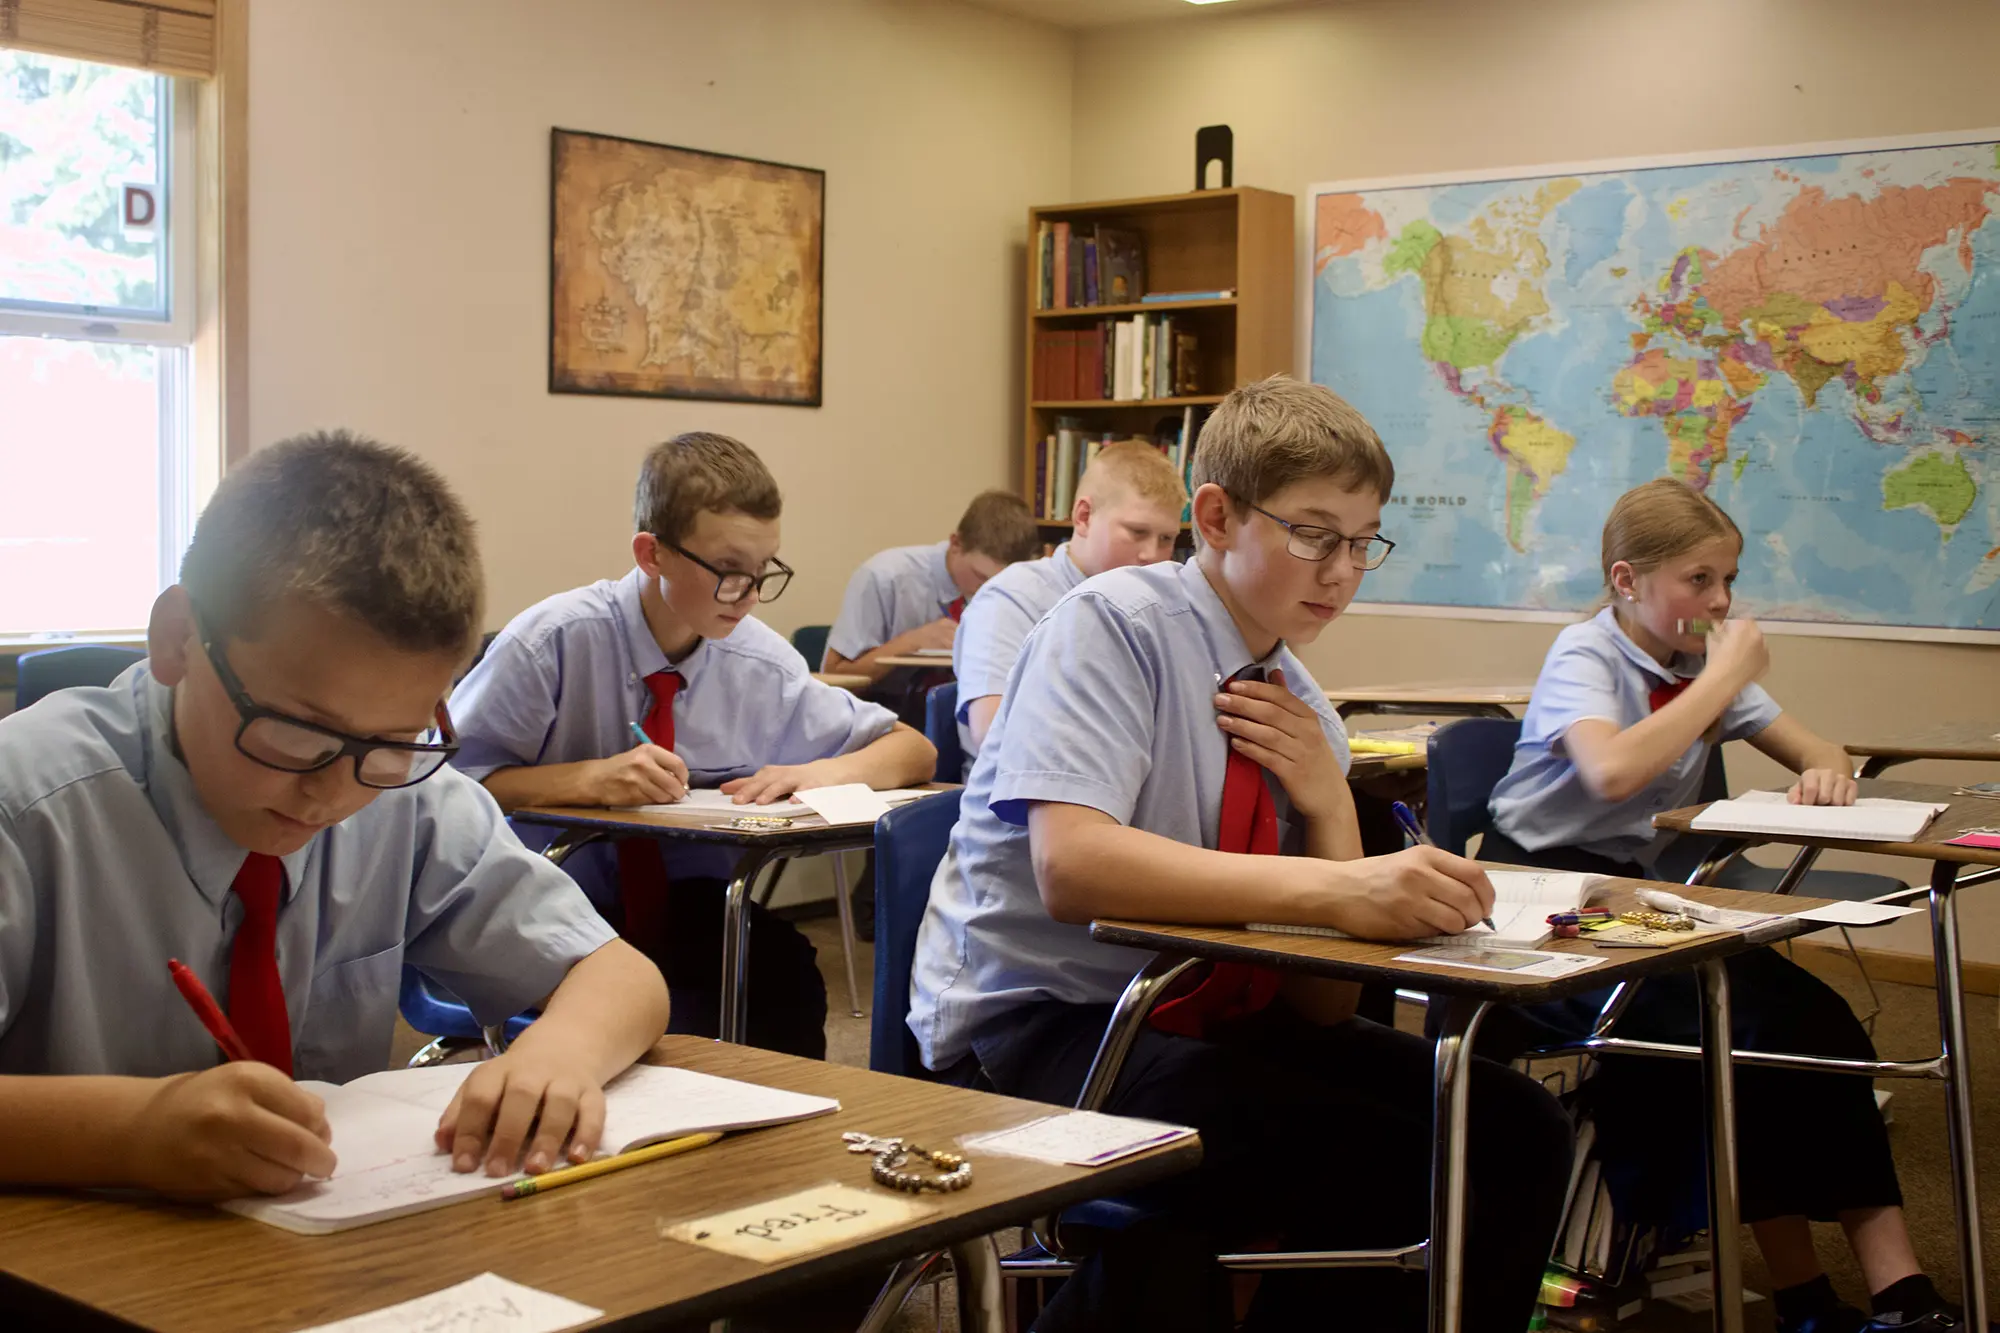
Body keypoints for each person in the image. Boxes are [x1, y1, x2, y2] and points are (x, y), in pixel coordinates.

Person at [908, 376, 1572, 1331]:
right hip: (1045, 1023)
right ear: (1215, 516)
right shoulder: (1112, 626)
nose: (1340, 569)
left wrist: (1330, 809)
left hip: (1207, 1012)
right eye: (1311, 533)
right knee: (1339, 1152)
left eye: (1361, 542)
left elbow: (1323, 1001)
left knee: (1508, 1128)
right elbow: (1073, 868)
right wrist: (1341, 889)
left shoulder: (1298, 699)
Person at [0, 431, 669, 1199]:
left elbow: (619, 974)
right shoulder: (24, 805)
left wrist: (564, 1052)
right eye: (296, 733)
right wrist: (128, 1130)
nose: (334, 792)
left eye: (390, 743)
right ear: (181, 639)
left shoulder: (405, 798)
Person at [1482, 477, 1971, 1333]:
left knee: (1816, 1023)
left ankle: (1900, 1294)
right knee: (1737, 1037)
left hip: (1637, 900)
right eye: (1698, 581)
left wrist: (1824, 768)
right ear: (1628, 580)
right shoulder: (1586, 653)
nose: (1720, 601)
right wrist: (1727, 677)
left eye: (1728, 580)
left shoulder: (1694, 663)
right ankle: (1801, 1295)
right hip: (1542, 905)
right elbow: (1610, 771)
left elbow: (1818, 747)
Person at [450, 431, 934, 1058]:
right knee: (685, 1021)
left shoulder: (757, 658)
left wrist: (824, 772)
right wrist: (582, 781)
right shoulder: (553, 643)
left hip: (689, 912)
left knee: (783, 981)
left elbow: (911, 749)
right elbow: (440, 786)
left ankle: (777, 1152)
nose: (751, 595)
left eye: (764, 571)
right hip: (546, 903)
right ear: (651, 554)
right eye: (729, 573)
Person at [952, 440, 1185, 765]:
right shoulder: (1010, 599)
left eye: (1166, 539)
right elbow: (991, 735)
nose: (1152, 555)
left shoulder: (1159, 608)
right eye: (1137, 532)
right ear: (1084, 516)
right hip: (1018, 804)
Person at [821, 489, 1042, 687]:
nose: (988, 590)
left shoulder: (1013, 590)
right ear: (956, 543)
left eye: (999, 582)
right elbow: (832, 677)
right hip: (886, 712)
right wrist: (911, 642)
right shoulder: (885, 578)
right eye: (980, 576)